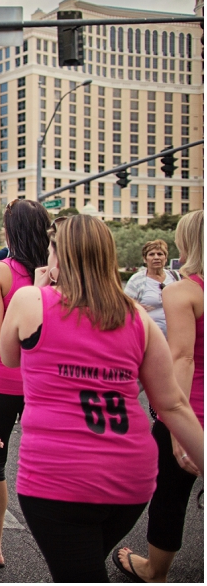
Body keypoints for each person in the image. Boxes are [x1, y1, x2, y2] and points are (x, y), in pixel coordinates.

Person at [0, 215, 203, 583]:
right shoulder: (137, 318)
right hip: (131, 481)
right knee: (84, 562)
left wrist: (40, 285)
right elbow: (173, 405)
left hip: (58, 479)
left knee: (80, 571)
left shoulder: (31, 300)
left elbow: (10, 357)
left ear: (60, 258)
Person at [116, 210, 204, 582]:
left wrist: (173, 426)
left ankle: (155, 569)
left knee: (169, 493)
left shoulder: (183, 290)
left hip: (194, 406)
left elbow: (183, 357)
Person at [0, 198, 50, 569]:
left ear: (9, 231)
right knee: (48, 461)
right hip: (45, 382)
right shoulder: (58, 272)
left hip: (4, 379)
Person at [123, 239, 180, 338]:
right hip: (148, 336)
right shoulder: (136, 280)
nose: (156, 257)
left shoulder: (175, 276)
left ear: (166, 258)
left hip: (175, 335)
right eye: (151, 254)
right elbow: (124, 306)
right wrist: (137, 307)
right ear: (145, 259)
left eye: (160, 254)